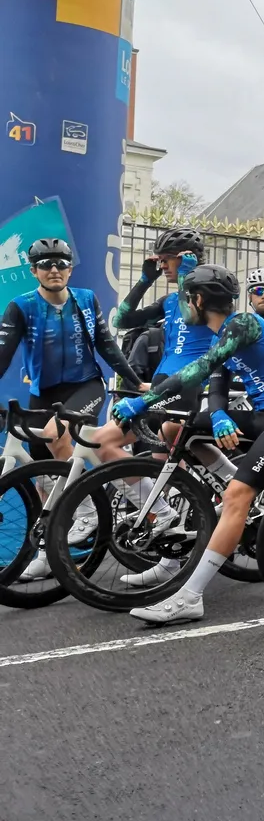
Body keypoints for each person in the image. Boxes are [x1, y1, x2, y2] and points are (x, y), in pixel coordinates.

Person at [111, 264, 264, 623]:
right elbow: (218, 383)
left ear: (199, 299)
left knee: (238, 495)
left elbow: (201, 369)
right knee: (178, 429)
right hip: (262, 411)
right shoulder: (218, 331)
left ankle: (191, 596)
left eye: (185, 298)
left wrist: (142, 402)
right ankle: (228, 485)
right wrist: (219, 415)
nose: (182, 304)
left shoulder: (242, 324)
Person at [0, 238, 145, 579]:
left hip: (85, 386)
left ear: (70, 268)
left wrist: (134, 381)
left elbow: (106, 345)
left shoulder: (85, 299)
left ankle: (86, 509)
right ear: (34, 270)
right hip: (43, 393)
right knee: (44, 476)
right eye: (46, 264)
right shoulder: (20, 306)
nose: (54, 269)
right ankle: (51, 552)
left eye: (61, 263)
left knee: (56, 433)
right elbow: (3, 355)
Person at [98, 227, 234, 578]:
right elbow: (122, 319)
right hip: (160, 387)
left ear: (188, 258)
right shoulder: (171, 300)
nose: (161, 264)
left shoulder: (203, 296)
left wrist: (187, 276)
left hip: (188, 388)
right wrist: (144, 280)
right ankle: (165, 516)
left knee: (171, 462)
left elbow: (193, 318)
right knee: (105, 444)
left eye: (166, 260)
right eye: (159, 260)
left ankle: (174, 557)